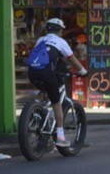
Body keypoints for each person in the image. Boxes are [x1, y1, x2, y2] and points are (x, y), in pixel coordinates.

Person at [25, 18, 87, 147]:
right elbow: (72, 59)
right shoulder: (61, 42)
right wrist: (83, 71)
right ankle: (60, 137)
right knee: (56, 103)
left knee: (44, 90)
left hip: (32, 73)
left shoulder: (40, 40)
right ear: (59, 31)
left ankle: (35, 112)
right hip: (48, 74)